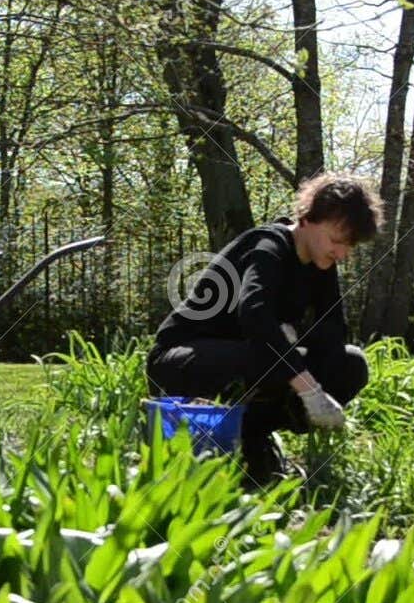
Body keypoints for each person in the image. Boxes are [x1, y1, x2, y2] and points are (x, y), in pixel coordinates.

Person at [145, 173, 382, 485]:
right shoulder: (268, 246)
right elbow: (255, 315)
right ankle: (235, 443)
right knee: (270, 353)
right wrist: (309, 389)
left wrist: (327, 392)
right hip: (180, 361)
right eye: (336, 241)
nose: (341, 253)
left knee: (350, 363)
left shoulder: (322, 265)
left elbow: (331, 331)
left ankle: (253, 434)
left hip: (248, 361)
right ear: (308, 219)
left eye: (348, 246)